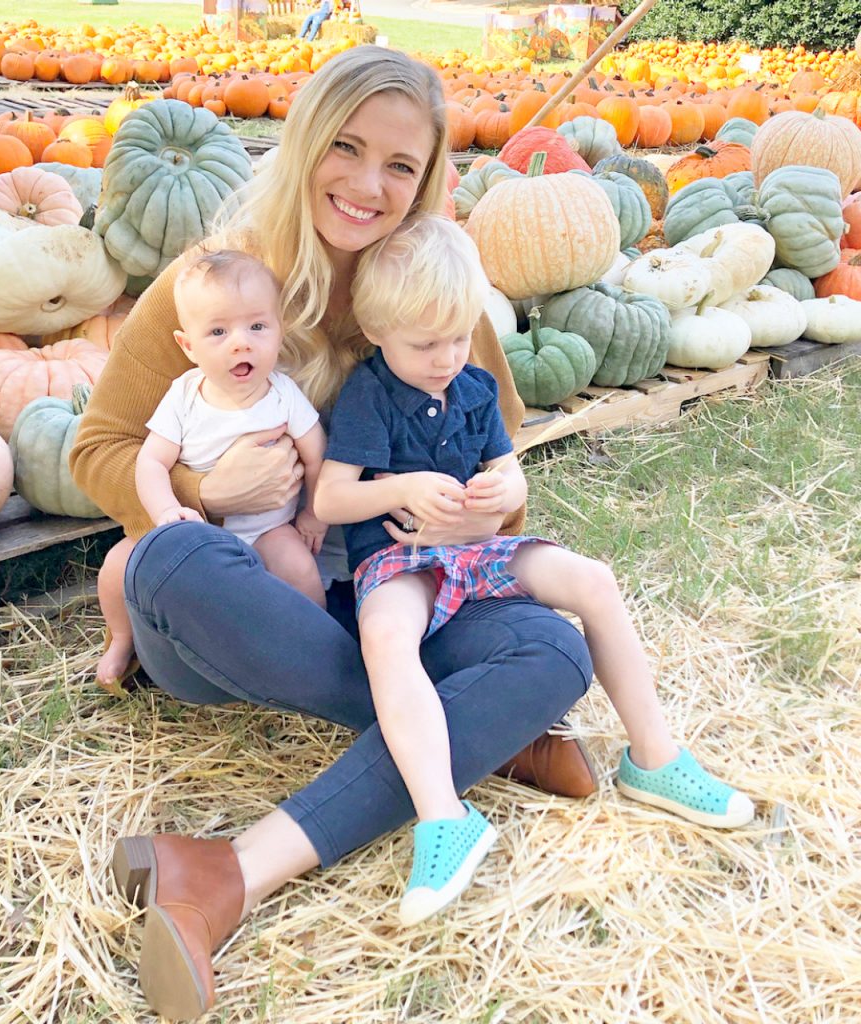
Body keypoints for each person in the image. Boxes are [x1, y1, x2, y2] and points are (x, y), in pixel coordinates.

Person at [71, 46, 597, 1022]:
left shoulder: (436, 294)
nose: (367, 185)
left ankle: (225, 870)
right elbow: (96, 448)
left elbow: (501, 459)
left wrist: (489, 503)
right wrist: (199, 483)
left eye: (400, 166)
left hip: (385, 592)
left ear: (428, 176)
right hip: (232, 609)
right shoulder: (217, 282)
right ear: (307, 139)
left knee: (555, 647)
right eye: (345, 148)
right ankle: (477, 732)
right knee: (167, 557)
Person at [314, 213, 756, 925]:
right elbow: (331, 496)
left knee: (594, 582)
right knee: (387, 637)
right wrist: (397, 488)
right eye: (425, 343)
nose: (445, 357)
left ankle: (655, 757)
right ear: (377, 333)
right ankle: (443, 820)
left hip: (473, 550)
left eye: (458, 337)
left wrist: (504, 492)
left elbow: (509, 475)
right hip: (397, 559)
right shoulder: (370, 393)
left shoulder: (478, 387)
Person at [95, 249, 328, 687]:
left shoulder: (283, 394)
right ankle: (122, 641)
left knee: (299, 569)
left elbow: (317, 454)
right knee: (116, 564)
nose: (241, 342)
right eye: (218, 331)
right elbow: (151, 461)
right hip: (194, 531)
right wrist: (165, 514)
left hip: (267, 527)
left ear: (280, 331)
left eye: (257, 326)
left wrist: (312, 513)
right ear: (188, 345)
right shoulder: (184, 395)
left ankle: (315, 650)